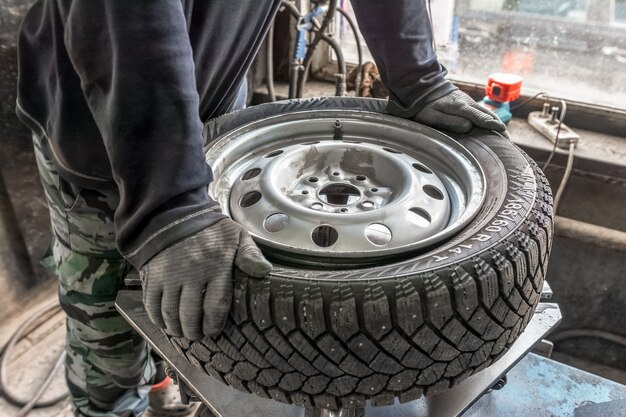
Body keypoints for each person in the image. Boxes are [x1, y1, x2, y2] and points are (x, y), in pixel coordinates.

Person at [16, 1, 506, 416]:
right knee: (109, 325)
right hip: (97, 132)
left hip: (212, 107)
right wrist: (171, 209)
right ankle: (116, 401)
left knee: (197, 306)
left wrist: (418, 78)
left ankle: (165, 386)